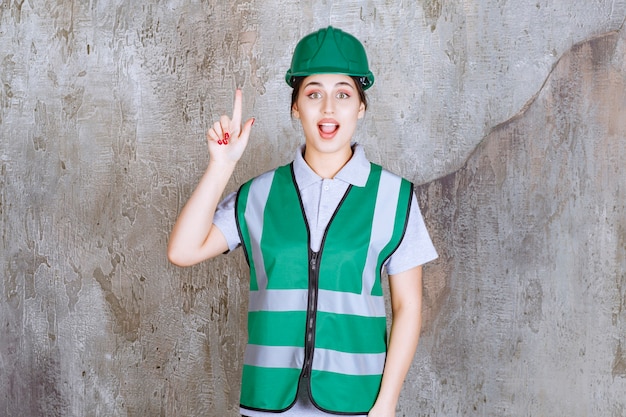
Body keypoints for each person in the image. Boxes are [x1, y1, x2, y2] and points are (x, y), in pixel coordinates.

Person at [168, 26, 438, 417]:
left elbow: (408, 306)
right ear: (296, 106)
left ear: (361, 106)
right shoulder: (258, 195)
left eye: (343, 94)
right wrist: (220, 166)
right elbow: (182, 250)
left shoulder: (395, 197)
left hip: (356, 404)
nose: (328, 108)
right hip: (268, 402)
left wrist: (387, 403)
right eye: (313, 94)